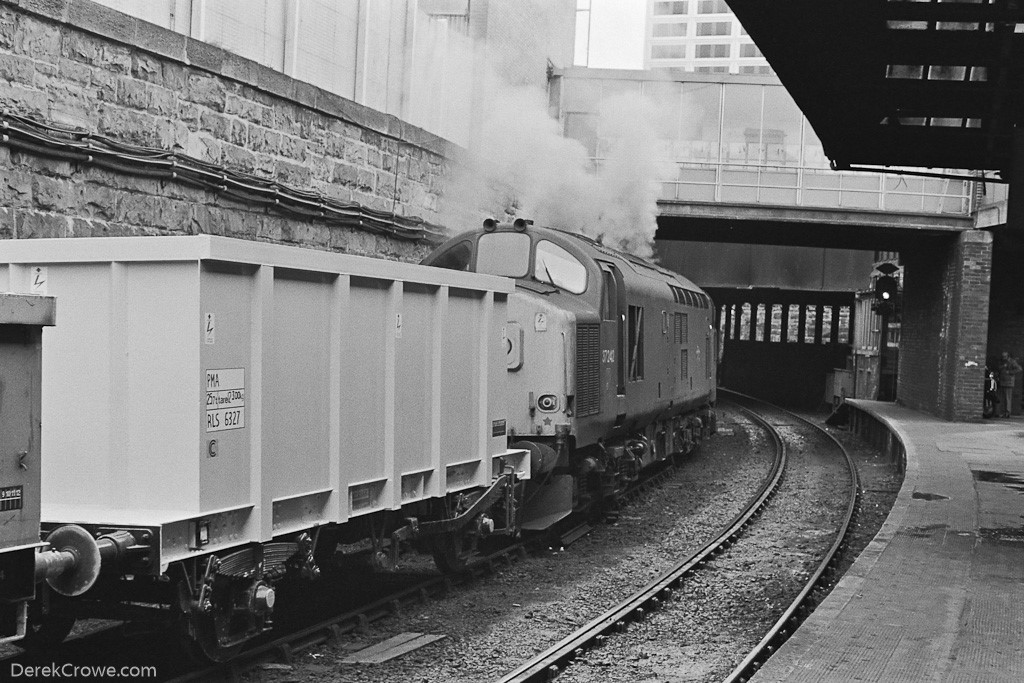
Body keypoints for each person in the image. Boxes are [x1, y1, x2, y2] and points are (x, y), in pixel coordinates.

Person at [997, 351, 1022, 417]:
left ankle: (1007, 412)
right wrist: (1003, 367)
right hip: (1002, 381)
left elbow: (1019, 369)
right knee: (1002, 398)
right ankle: (1001, 412)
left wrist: (1010, 372)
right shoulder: (1002, 362)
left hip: (1009, 382)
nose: (1003, 358)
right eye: (1003, 356)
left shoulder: (1012, 362)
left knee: (1007, 398)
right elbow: (999, 368)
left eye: (1005, 356)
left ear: (1008, 356)